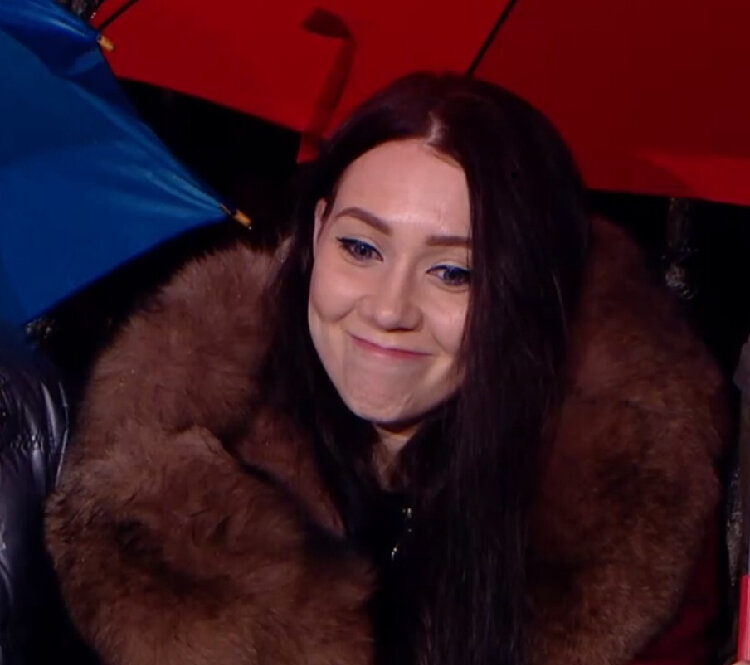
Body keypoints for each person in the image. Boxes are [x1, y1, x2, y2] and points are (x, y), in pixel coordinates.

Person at [45, 73, 728, 665]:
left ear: (525, 290)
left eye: (453, 271)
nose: (389, 309)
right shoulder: (174, 479)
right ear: (316, 233)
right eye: (362, 249)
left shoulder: (623, 512)